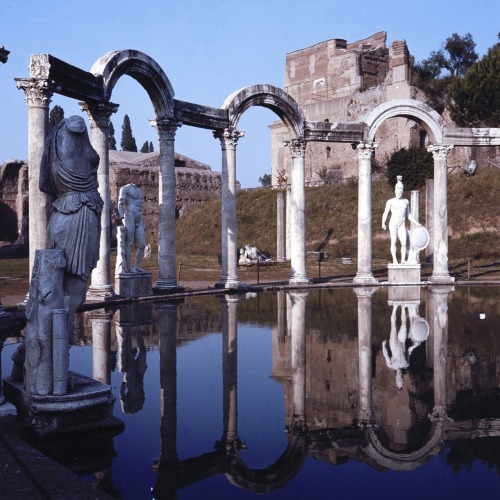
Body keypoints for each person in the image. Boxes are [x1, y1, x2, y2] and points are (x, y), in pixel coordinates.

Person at [40, 116, 103, 328]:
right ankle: (55, 340)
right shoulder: (80, 133)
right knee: (76, 292)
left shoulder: (53, 138)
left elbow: (43, 184)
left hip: (59, 214)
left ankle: (38, 342)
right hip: (84, 214)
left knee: (49, 288)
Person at [381, 176, 420, 264]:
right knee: (393, 241)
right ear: (395, 191)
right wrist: (383, 223)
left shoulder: (406, 201)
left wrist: (416, 223)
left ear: (402, 191)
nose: (399, 191)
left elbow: (408, 215)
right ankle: (395, 260)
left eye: (400, 190)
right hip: (393, 223)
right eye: (397, 189)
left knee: (404, 242)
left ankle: (403, 260)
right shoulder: (390, 201)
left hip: (402, 224)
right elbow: (385, 213)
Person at [118, 182, 146, 272]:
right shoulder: (125, 188)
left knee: (142, 244)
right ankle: (129, 267)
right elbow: (120, 204)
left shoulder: (138, 189)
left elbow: (140, 204)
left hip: (139, 216)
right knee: (129, 242)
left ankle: (136, 266)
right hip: (130, 214)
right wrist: (122, 217)